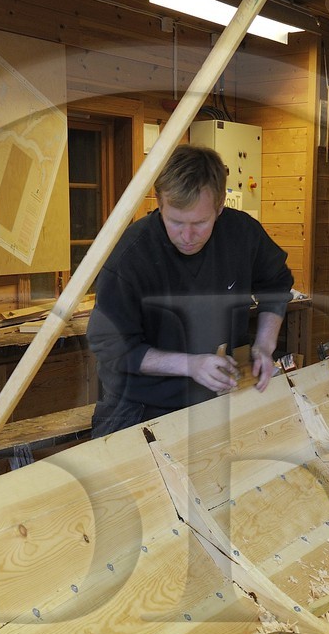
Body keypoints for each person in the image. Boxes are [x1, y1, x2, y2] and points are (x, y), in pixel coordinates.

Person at [87, 144, 292, 436]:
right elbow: (111, 347)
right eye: (175, 222)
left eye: (200, 223)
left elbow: (277, 282)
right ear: (159, 203)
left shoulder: (242, 234)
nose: (186, 236)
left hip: (218, 396)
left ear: (220, 207)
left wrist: (265, 344)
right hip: (139, 406)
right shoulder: (129, 256)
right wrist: (191, 365)